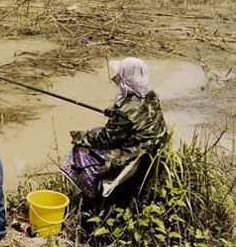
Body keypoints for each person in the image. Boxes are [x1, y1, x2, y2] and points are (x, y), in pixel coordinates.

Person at [62, 57, 167, 199]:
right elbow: (137, 116)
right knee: (94, 131)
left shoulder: (124, 112)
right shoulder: (151, 96)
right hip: (150, 150)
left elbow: (104, 139)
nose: (116, 78)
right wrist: (114, 113)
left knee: (80, 149)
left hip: (133, 156)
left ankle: (91, 190)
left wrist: (79, 136)